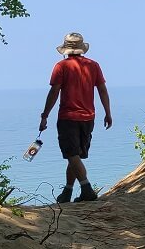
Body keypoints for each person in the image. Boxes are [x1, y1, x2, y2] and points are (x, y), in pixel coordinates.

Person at [39, 32, 113, 203]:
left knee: (71, 154)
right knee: (75, 155)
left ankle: (86, 189)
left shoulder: (61, 66)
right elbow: (102, 90)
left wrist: (45, 116)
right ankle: (68, 191)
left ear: (65, 49)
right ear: (81, 48)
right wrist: (108, 113)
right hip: (88, 118)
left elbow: (54, 92)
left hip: (68, 117)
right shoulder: (93, 66)